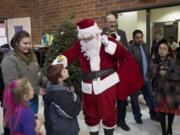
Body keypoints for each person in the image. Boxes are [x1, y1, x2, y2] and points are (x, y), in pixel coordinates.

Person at [52, 18, 143, 135]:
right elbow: (68, 55)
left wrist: (110, 45)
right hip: (89, 88)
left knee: (109, 114)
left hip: (107, 85)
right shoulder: (80, 45)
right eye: (84, 37)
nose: (87, 40)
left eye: (89, 36)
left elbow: (123, 55)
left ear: (95, 32)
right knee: (90, 115)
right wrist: (57, 63)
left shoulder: (107, 41)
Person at [102, 13, 130, 131]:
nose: (113, 24)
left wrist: (120, 45)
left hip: (121, 71)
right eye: (110, 22)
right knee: (109, 99)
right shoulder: (101, 34)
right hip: (107, 72)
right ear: (106, 23)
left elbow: (127, 50)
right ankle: (109, 121)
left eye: (114, 21)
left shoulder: (122, 33)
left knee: (122, 98)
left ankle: (121, 121)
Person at [151, 41, 180, 135]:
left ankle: (169, 128)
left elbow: (178, 76)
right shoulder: (154, 60)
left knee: (171, 112)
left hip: (171, 92)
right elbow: (150, 74)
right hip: (159, 91)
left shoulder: (173, 61)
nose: (161, 51)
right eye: (160, 48)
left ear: (168, 51)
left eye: (164, 49)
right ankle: (164, 131)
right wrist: (156, 72)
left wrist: (166, 74)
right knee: (161, 112)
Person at [43, 64, 81, 135]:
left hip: (53, 127)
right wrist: (75, 95)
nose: (66, 70)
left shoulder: (50, 86)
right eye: (64, 71)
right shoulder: (61, 95)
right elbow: (74, 111)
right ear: (59, 78)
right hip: (65, 130)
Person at [128, 29, 157, 124]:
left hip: (146, 78)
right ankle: (137, 117)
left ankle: (153, 114)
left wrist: (151, 73)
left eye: (141, 37)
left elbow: (148, 60)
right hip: (136, 80)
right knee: (135, 100)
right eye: (137, 38)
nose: (139, 39)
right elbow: (130, 66)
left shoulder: (144, 46)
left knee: (150, 97)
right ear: (133, 38)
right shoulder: (130, 49)